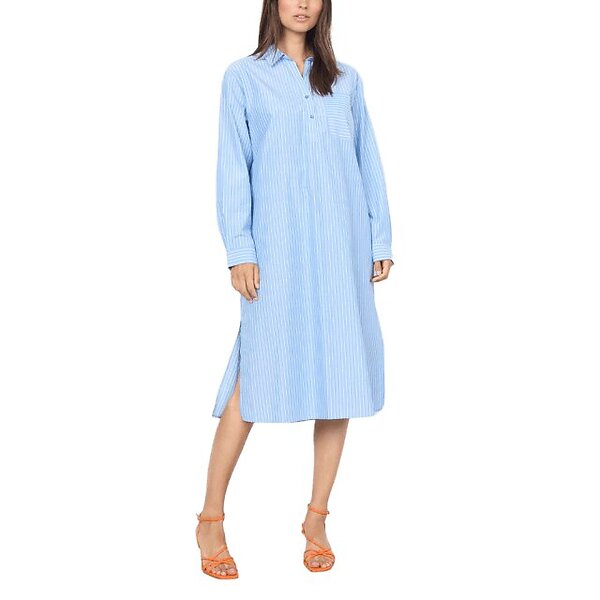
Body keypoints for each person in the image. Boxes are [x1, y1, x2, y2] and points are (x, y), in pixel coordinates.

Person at [196, 0, 394, 579]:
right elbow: (233, 167)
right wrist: (240, 249)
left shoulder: (346, 81)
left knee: (341, 379)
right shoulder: (243, 77)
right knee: (252, 377)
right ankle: (210, 519)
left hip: (341, 248)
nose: (303, 3)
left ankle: (316, 518)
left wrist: (379, 238)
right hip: (275, 252)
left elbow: (367, 161)